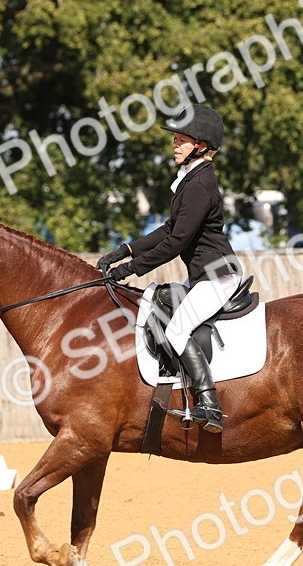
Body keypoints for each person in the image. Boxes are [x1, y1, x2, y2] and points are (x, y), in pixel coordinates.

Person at [97, 104, 241, 433]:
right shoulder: (190, 181)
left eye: (181, 140)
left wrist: (128, 269)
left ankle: (209, 404)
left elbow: (176, 243)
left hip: (218, 276)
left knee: (176, 329)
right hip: (206, 274)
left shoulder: (200, 186)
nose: (174, 145)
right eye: (175, 139)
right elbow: (168, 229)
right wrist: (124, 250)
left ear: (200, 146)